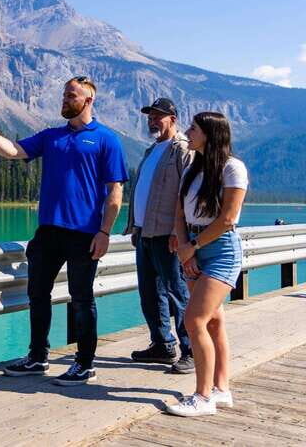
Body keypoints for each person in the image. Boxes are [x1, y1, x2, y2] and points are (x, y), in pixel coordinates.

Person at [0, 76, 128, 386]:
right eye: (64, 95)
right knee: (37, 293)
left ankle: (84, 364)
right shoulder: (51, 137)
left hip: (85, 233)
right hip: (48, 232)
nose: (65, 100)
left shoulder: (107, 139)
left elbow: (115, 191)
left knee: (82, 298)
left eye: (71, 95)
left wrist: (105, 232)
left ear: (88, 100)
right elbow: (13, 151)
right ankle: (37, 357)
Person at [165, 112, 249, 417]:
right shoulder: (193, 168)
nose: (187, 132)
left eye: (194, 128)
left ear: (211, 134)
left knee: (194, 320)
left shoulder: (232, 168)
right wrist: (185, 248)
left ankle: (202, 397)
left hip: (222, 251)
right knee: (213, 322)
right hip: (194, 247)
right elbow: (179, 214)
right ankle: (221, 390)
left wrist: (193, 247)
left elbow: (227, 219)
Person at [124, 98, 194, 374]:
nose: (152, 121)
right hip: (146, 234)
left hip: (169, 235)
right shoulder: (151, 150)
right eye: (150, 117)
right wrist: (136, 228)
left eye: (158, 116)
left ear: (173, 118)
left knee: (178, 293)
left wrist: (181, 232)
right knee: (150, 293)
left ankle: (190, 349)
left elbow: (188, 194)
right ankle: (162, 345)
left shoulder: (182, 149)